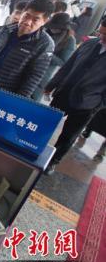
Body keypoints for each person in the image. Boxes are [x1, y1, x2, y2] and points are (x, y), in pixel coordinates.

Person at [0, 0, 55, 113]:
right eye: (27, 15)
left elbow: (34, 77)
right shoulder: (3, 30)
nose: (28, 22)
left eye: (35, 20)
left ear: (45, 21)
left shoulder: (44, 44)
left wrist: (17, 102)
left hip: (5, 95)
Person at [43, 19, 106, 174]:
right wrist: (51, 85)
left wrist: (98, 104)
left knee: (69, 135)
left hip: (87, 104)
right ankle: (34, 146)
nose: (102, 37)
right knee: (46, 124)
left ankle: (53, 161)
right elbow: (68, 65)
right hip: (64, 93)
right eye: (101, 32)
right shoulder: (89, 43)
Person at [32, 13, 76, 101]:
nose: (53, 29)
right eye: (52, 26)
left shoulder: (69, 40)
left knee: (32, 100)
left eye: (56, 28)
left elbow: (63, 62)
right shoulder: (44, 32)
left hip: (43, 75)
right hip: (29, 67)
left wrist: (48, 53)